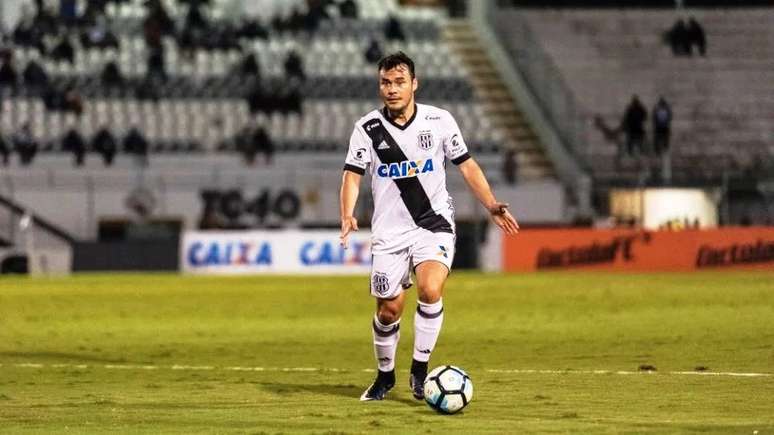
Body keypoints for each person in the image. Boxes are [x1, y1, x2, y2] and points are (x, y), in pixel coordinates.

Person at [339, 52, 519, 402]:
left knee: (430, 289)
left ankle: (420, 372)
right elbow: (352, 175)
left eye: (399, 82)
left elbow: (467, 166)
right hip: (389, 232)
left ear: (414, 84)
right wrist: (347, 214)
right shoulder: (367, 128)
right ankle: (385, 377)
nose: (391, 89)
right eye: (385, 83)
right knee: (389, 309)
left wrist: (491, 204)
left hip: (432, 223)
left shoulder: (439, 121)